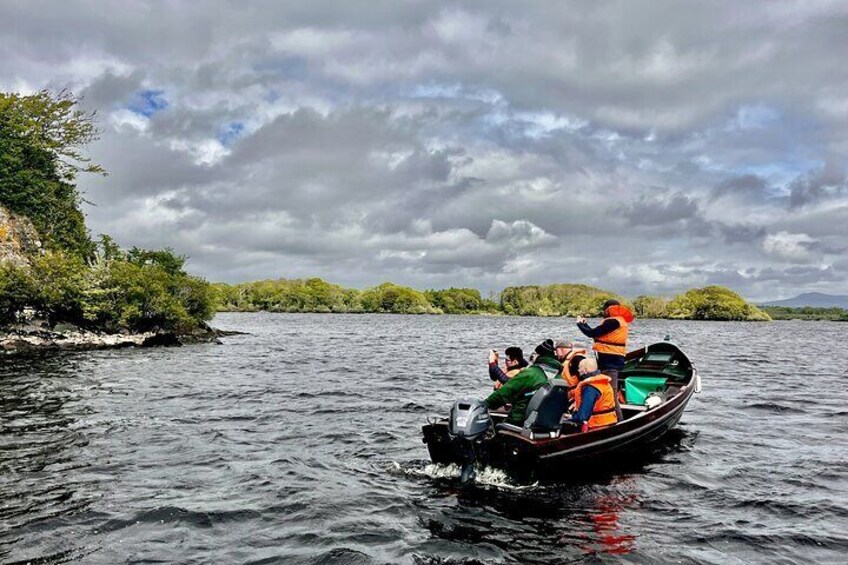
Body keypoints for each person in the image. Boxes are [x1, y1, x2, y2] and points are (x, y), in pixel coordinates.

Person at [576, 299, 634, 419]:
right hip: (612, 361)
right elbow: (596, 333)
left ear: (608, 309)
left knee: (611, 394)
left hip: (610, 363)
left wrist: (581, 324)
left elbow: (592, 333)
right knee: (608, 392)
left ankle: (619, 423)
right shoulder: (618, 321)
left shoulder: (613, 321)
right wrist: (585, 324)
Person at [483, 340, 563, 425]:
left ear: (540, 355)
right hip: (547, 423)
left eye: (535, 354)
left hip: (520, 421)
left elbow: (506, 391)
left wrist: (485, 404)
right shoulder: (560, 378)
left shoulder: (530, 374)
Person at [566, 358, 619, 431]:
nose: (578, 370)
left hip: (598, 425)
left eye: (579, 368)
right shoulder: (604, 382)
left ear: (585, 370)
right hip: (609, 421)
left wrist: (571, 417)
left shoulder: (591, 388)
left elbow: (583, 416)